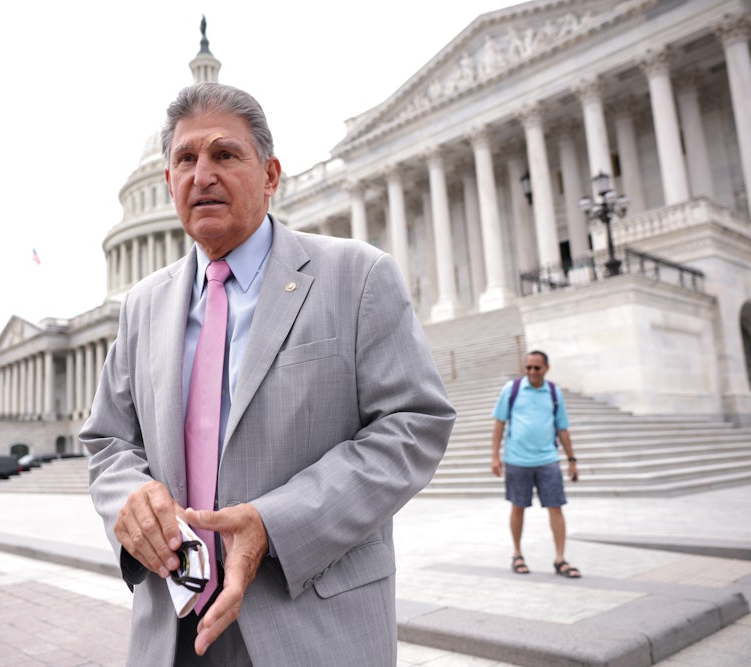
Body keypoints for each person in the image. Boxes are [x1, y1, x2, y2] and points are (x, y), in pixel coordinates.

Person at [80, 82, 455, 666]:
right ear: (168, 182)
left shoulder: (356, 277)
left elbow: (415, 425)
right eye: (185, 159)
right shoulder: (142, 306)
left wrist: (274, 525)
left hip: (311, 623)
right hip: (172, 634)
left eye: (224, 155)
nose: (202, 174)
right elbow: (107, 442)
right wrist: (131, 499)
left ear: (271, 174)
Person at [490, 350, 581, 579]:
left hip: (548, 459)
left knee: (556, 507)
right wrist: (494, 456)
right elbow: (499, 424)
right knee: (517, 507)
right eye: (528, 367)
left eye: (536, 368)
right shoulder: (511, 390)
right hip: (516, 460)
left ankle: (560, 559)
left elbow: (562, 428)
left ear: (546, 369)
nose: (532, 372)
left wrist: (572, 460)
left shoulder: (553, 392)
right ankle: (517, 554)